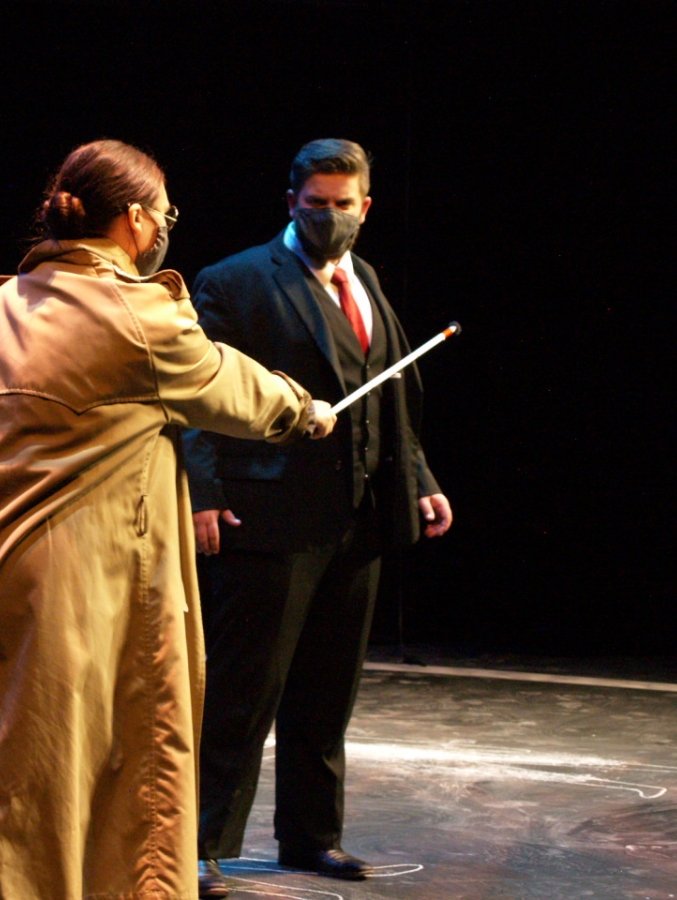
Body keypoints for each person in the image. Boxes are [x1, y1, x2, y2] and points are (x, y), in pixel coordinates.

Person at [0, 139, 336, 900]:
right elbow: (234, 388)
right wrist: (306, 410)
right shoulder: (138, 317)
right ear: (135, 220)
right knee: (67, 807)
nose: (164, 229)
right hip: (75, 615)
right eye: (164, 216)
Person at [182, 138, 453, 897]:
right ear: (291, 203)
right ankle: (198, 846)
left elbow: (388, 391)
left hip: (355, 521)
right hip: (265, 518)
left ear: (365, 207)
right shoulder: (236, 280)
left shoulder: (365, 280)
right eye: (315, 205)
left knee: (327, 692)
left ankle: (311, 837)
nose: (329, 217)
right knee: (243, 693)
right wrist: (202, 492)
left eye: (343, 206)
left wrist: (418, 479)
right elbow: (193, 394)